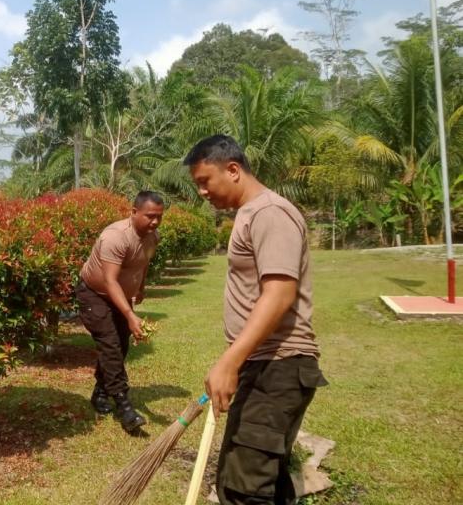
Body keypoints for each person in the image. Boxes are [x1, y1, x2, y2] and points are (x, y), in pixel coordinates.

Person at [184, 135, 328, 505]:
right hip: (262, 364)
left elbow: (279, 294)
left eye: (205, 181)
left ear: (233, 170)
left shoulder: (270, 213)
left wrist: (229, 361)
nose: (202, 192)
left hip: (278, 368)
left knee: (244, 489)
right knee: (262, 481)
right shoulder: (251, 214)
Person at [77, 191, 164, 433]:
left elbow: (144, 262)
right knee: (110, 345)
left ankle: (101, 393)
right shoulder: (115, 237)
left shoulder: (152, 236)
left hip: (121, 296)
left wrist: (141, 288)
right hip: (94, 294)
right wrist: (130, 315)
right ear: (134, 212)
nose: (155, 222)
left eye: (159, 217)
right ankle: (124, 407)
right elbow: (110, 281)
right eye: (150, 216)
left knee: (121, 347)